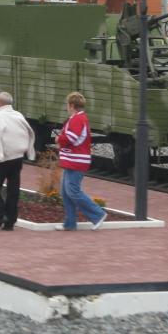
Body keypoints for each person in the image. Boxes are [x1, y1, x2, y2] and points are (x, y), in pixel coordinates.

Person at [56, 91, 107, 231]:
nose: (67, 107)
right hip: (73, 159)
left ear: (72, 105)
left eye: (67, 104)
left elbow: (70, 138)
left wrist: (59, 139)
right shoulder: (78, 118)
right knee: (66, 192)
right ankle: (70, 223)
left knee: (73, 191)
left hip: (76, 160)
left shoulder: (77, 119)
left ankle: (98, 214)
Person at [0, 91, 35, 231]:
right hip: (18, 158)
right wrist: (28, 150)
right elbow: (29, 131)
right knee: (13, 190)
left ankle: (0, 215)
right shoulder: (18, 115)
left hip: (3, 158)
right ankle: (10, 222)